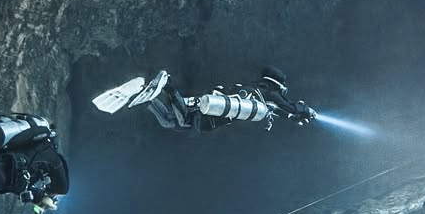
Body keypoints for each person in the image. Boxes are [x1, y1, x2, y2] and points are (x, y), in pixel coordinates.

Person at [94, 65, 317, 132]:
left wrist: (292, 116)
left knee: (171, 122)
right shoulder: (271, 94)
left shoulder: (254, 91)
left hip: (209, 102)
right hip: (212, 116)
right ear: (276, 84)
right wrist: (305, 111)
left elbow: (281, 111)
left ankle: (147, 97)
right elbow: (288, 106)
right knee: (181, 122)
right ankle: (169, 85)